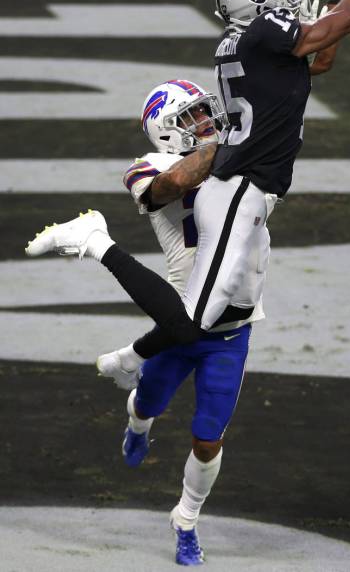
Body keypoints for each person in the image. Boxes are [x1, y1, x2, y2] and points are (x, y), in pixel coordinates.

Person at [26, 79, 267, 566]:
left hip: (232, 331)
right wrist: (238, 147)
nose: (204, 124)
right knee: (148, 401)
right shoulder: (153, 166)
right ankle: (137, 413)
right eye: (191, 119)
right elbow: (173, 185)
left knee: (208, 438)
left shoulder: (239, 161)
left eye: (205, 114)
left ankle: (185, 520)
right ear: (164, 132)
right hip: (183, 316)